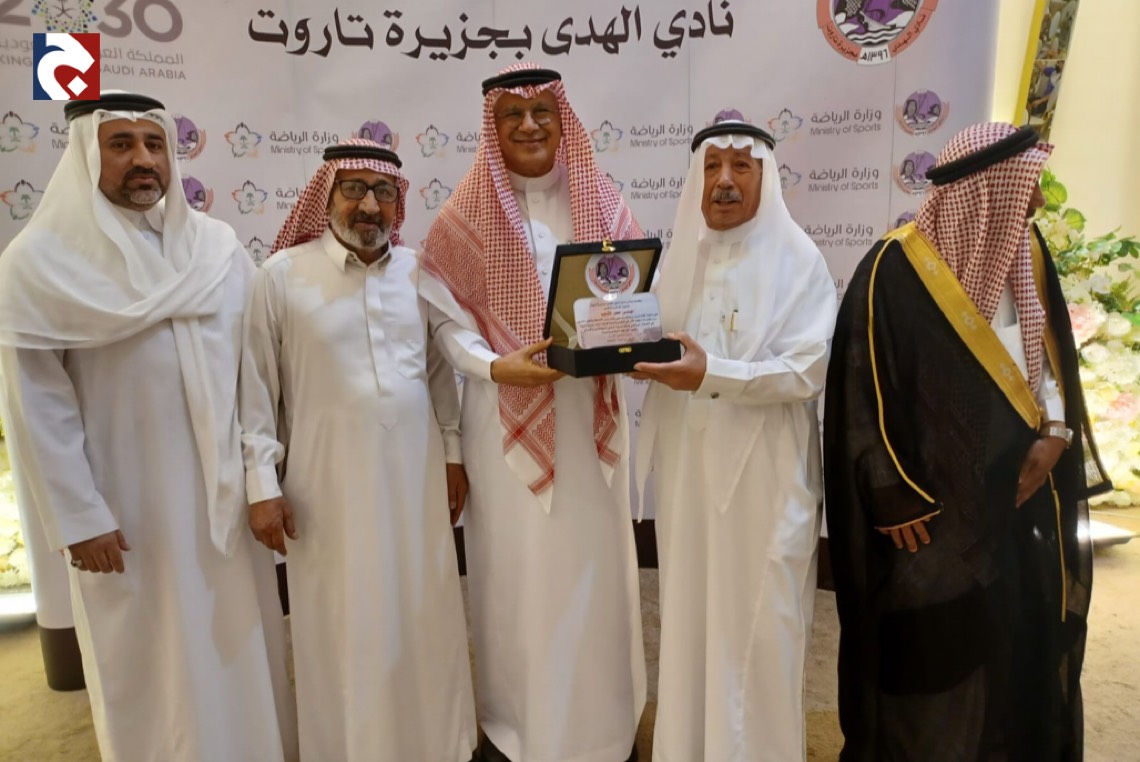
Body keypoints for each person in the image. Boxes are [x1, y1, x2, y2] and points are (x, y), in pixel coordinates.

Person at [0, 91, 297, 761]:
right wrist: (78, 517)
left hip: (227, 507)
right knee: (147, 661)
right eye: (121, 144)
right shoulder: (38, 264)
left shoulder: (216, 248)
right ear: (86, 156)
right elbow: (35, 406)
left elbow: (255, 375)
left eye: (154, 144)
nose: (143, 160)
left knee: (239, 650)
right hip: (126, 513)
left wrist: (261, 481)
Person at [824, 122, 1111, 761]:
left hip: (1019, 498)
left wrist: (1057, 432)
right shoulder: (893, 270)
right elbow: (861, 391)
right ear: (986, 188)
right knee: (935, 662)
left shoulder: (1028, 251)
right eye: (1027, 183)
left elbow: (1050, 360)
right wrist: (893, 492)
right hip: (932, 514)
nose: (1037, 200)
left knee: (1017, 640)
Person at [418, 63, 646, 762]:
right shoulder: (464, 214)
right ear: (493, 126)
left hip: (589, 419)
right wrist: (495, 367)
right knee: (519, 577)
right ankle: (521, 727)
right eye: (512, 115)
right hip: (504, 422)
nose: (529, 125)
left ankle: (604, 726)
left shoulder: (599, 199)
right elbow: (445, 325)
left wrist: (628, 338)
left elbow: (634, 298)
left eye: (542, 111)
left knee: (596, 572)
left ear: (560, 118)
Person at [240, 140, 477, 762]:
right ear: (327, 195)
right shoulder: (281, 275)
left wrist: (453, 454)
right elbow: (257, 389)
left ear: (399, 201)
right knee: (342, 622)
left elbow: (437, 373)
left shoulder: (420, 272)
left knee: (425, 609)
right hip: (325, 489)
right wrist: (262, 485)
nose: (369, 205)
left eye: (384, 192)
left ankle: (439, 746)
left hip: (415, 480)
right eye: (354, 189)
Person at [634, 117, 837, 761]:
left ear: (763, 177)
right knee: (690, 618)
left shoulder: (798, 260)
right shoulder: (679, 262)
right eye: (712, 167)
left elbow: (807, 370)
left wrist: (713, 374)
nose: (724, 181)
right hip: (688, 478)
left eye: (740, 167)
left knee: (760, 628)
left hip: (765, 484)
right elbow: (647, 341)